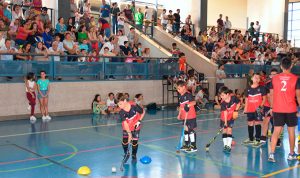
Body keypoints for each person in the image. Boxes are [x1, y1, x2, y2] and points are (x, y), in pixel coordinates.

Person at [268, 57, 300, 162]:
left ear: (281, 66)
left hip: (278, 109)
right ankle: (291, 154)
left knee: (276, 131)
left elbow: (271, 94)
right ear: (291, 66)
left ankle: (271, 154)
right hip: (291, 109)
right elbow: (298, 97)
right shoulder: (296, 79)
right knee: (291, 132)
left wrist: (272, 107)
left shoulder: (274, 78)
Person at [117, 93, 145, 160]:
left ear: (125, 101)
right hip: (126, 127)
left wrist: (139, 121)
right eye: (118, 105)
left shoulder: (134, 105)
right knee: (125, 141)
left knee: (134, 142)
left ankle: (134, 155)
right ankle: (126, 153)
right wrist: (129, 134)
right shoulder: (121, 112)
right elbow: (125, 124)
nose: (119, 106)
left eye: (120, 104)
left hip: (136, 125)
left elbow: (143, 112)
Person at [243, 73, 266, 147]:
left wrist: (260, 107)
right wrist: (245, 108)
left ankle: (258, 139)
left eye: (258, 78)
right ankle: (250, 139)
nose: (256, 79)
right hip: (250, 109)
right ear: (252, 78)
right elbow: (246, 100)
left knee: (257, 123)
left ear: (259, 80)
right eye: (255, 77)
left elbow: (264, 99)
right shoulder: (247, 89)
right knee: (250, 123)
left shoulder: (262, 88)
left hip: (258, 109)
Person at [176, 80, 197, 153]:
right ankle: (187, 144)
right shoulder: (180, 96)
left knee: (191, 130)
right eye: (177, 89)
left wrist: (188, 105)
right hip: (184, 116)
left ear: (184, 87)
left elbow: (194, 102)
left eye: (179, 88)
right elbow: (181, 107)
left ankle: (193, 146)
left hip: (190, 116)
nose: (178, 90)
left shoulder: (188, 94)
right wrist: (179, 115)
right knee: (186, 130)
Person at [219, 86, 240, 152]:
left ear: (227, 94)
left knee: (229, 130)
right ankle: (225, 145)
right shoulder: (223, 103)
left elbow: (238, 103)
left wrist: (236, 110)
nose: (221, 97)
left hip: (231, 117)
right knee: (224, 131)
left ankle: (228, 146)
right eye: (220, 95)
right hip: (224, 118)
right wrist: (225, 123)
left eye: (222, 95)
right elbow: (225, 113)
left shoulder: (234, 98)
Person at [260, 68, 279, 144]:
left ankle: (275, 138)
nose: (273, 76)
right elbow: (268, 96)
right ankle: (263, 136)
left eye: (275, 74)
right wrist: (271, 106)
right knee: (266, 121)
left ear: (278, 75)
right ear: (270, 76)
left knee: (276, 122)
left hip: (278, 105)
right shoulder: (267, 84)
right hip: (268, 105)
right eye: (272, 74)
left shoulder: (280, 84)